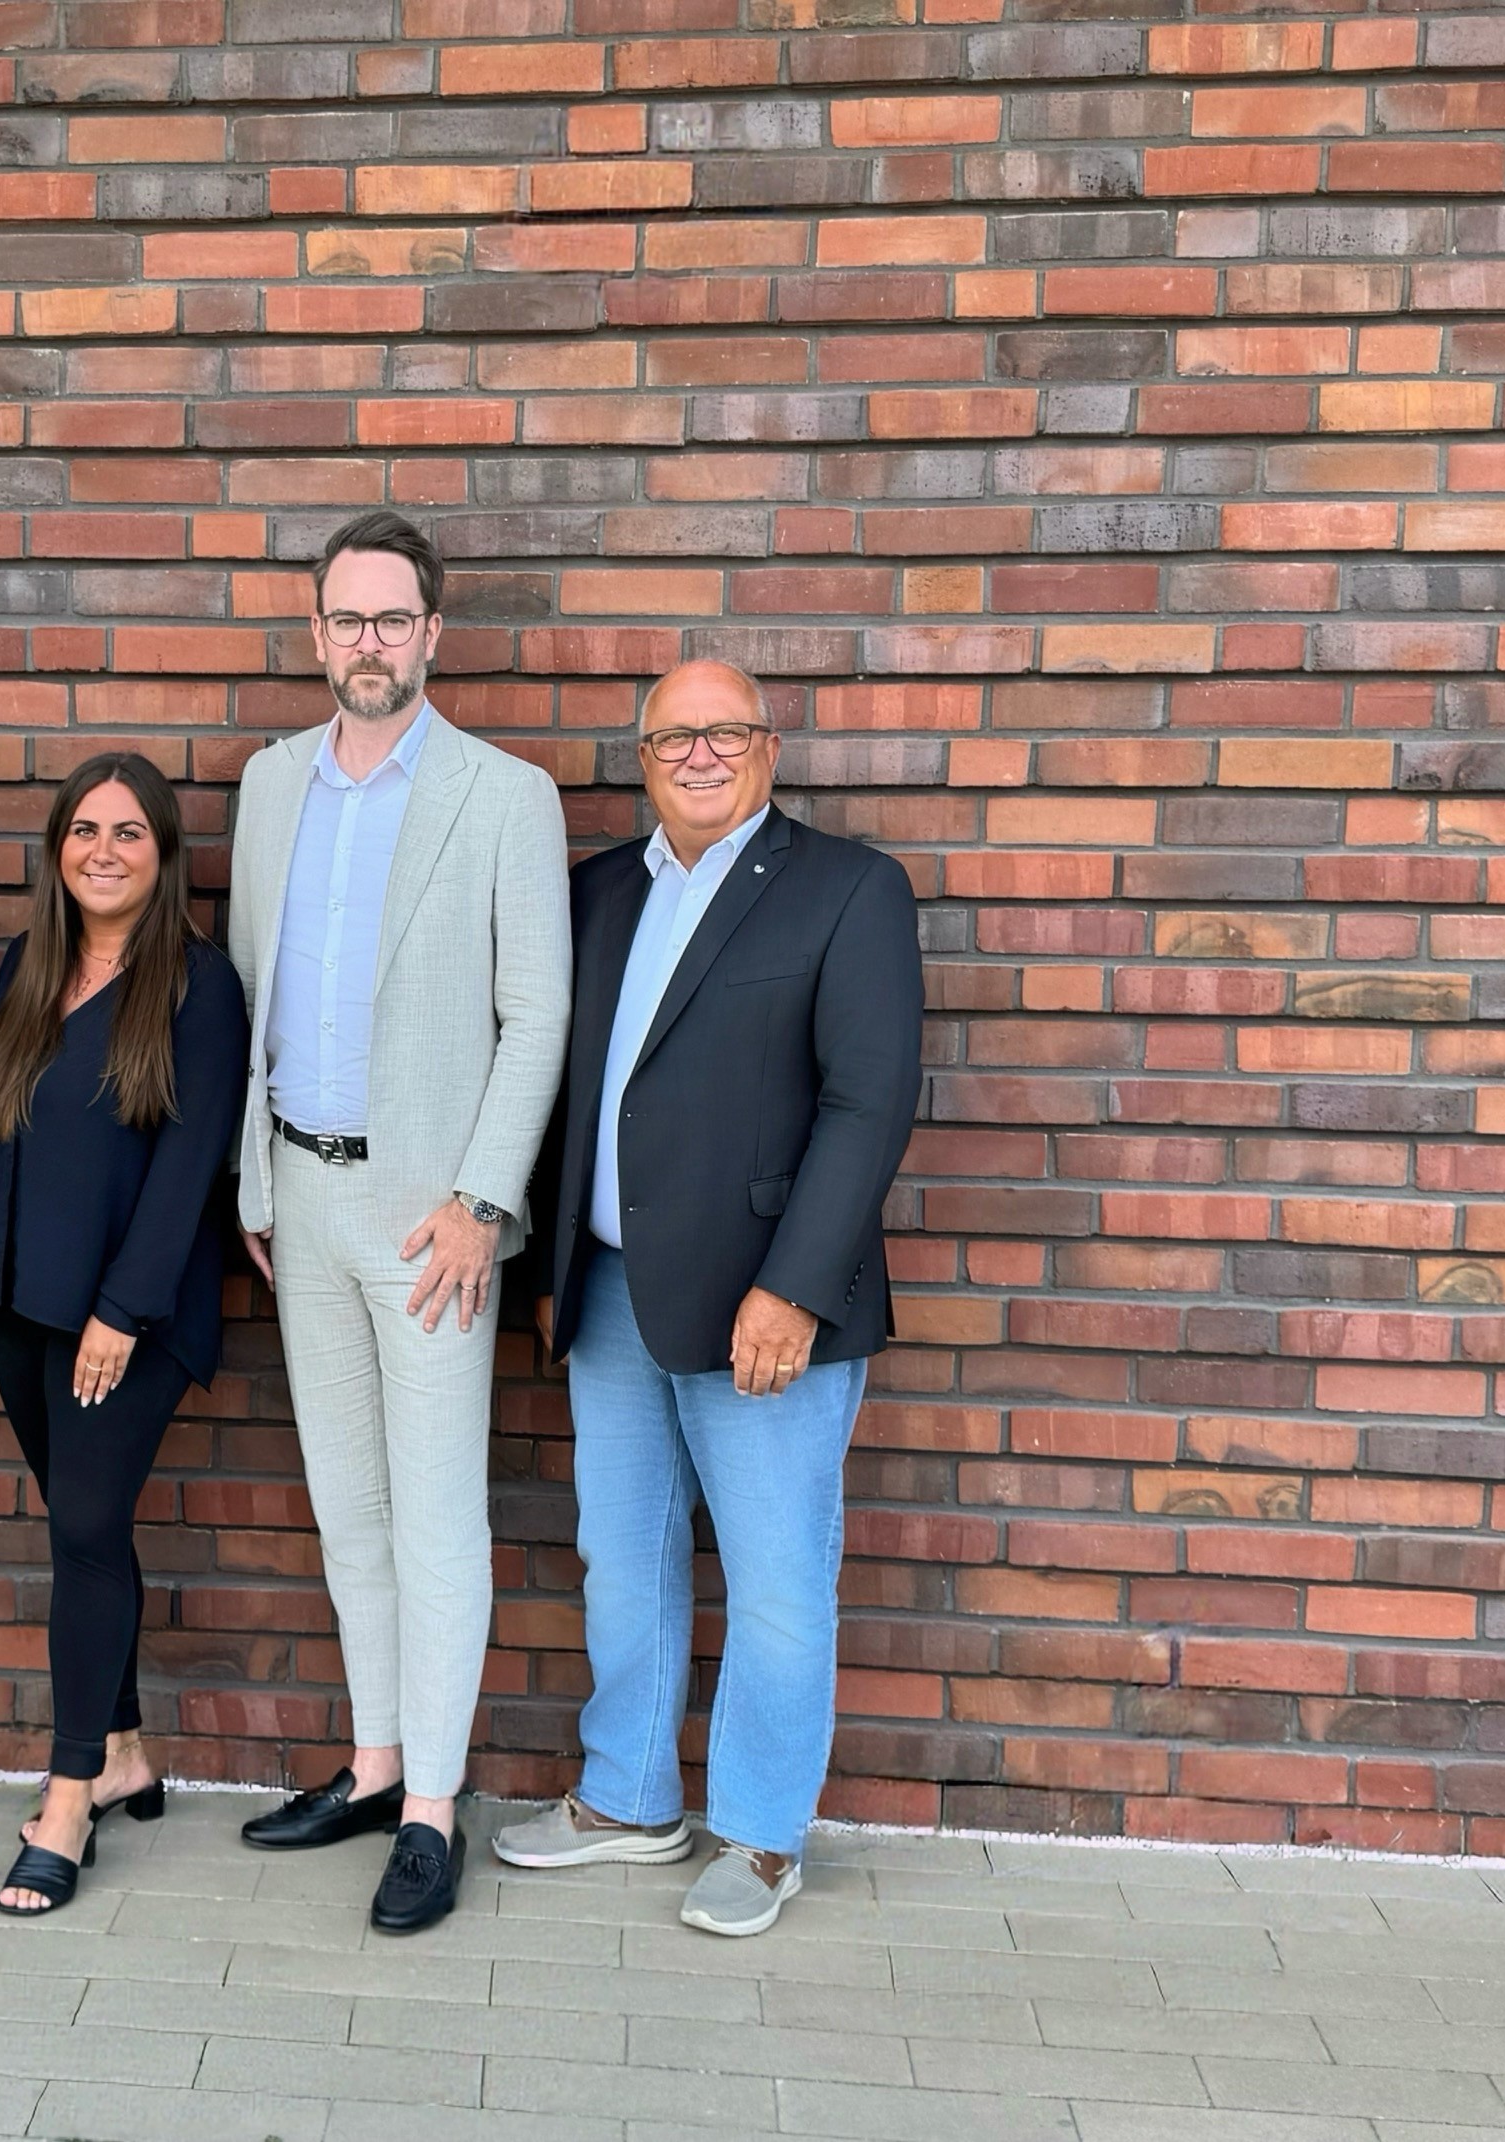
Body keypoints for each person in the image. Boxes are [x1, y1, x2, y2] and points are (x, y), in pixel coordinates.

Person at [496, 659, 922, 1938]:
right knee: (621, 1561)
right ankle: (629, 1799)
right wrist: (552, 1271)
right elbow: (569, 1088)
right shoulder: (598, 893)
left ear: (768, 748)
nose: (698, 754)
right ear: (641, 757)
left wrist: (793, 1289)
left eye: (724, 732)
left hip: (764, 1308)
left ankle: (761, 1836)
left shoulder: (847, 888)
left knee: (778, 1577)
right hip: (611, 1296)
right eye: (672, 736)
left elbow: (868, 1103)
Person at [224, 510, 571, 1934]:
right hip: (300, 1200)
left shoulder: (506, 795)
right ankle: (373, 1766)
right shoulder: (270, 785)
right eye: (346, 619)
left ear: (432, 633)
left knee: (435, 1519)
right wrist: (253, 1179)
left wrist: (484, 1201)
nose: (368, 643)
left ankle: (432, 1806)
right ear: (317, 635)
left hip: (433, 1219)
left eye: (392, 619)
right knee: (348, 1505)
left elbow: (536, 1014)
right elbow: (249, 990)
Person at [0, 754, 248, 1918]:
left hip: (130, 1315)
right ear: (56, 848)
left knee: (81, 1529)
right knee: (88, 1530)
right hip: (21, 1304)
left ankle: (68, 1800)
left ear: (164, 854)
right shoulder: (35, 959)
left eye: (128, 832)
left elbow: (189, 1165)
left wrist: (122, 1312)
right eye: (83, 830)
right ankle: (124, 1752)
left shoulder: (199, 986)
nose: (103, 851)